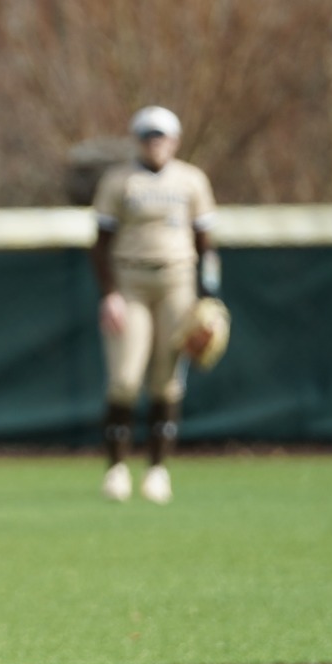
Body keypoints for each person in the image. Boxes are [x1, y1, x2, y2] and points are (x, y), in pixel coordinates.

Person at [90, 105, 219, 505]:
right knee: (125, 380)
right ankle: (116, 469)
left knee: (167, 381)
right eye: (148, 136)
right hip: (130, 281)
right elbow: (100, 244)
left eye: (161, 136)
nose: (154, 143)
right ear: (137, 140)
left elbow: (206, 244)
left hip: (177, 281)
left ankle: (158, 471)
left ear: (174, 140)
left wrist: (209, 297)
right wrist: (109, 294)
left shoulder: (191, 180)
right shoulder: (119, 180)